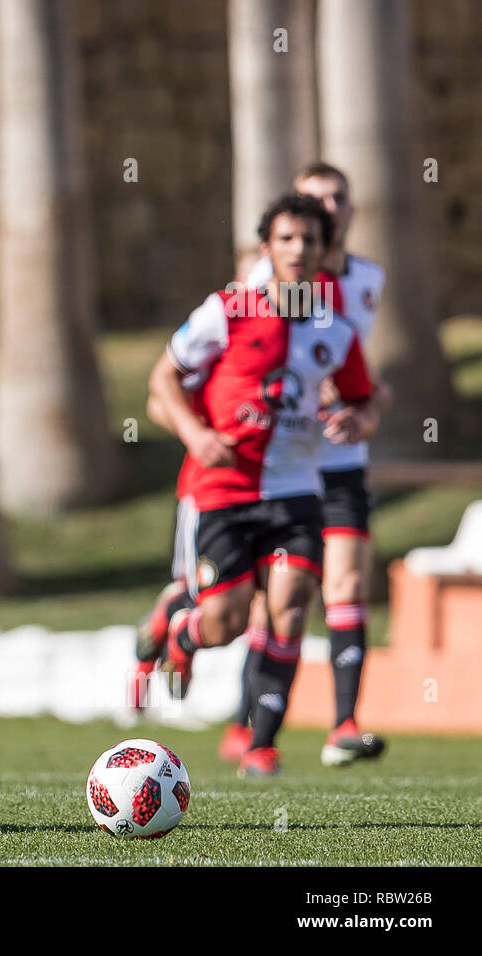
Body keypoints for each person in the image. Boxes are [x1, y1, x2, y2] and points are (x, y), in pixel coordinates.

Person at [143, 192, 379, 777]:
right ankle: (186, 633)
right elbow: (163, 377)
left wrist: (358, 419)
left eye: (310, 240)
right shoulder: (228, 311)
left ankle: (262, 744)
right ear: (266, 247)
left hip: (297, 492)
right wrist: (197, 436)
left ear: (326, 251)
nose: (299, 250)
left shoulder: (336, 329)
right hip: (223, 492)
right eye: (287, 238)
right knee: (225, 622)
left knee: (291, 610)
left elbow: (366, 400)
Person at [219, 162, 390, 768]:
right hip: (281, 465)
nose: (329, 209)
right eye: (316, 201)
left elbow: (367, 384)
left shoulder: (368, 279)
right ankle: (251, 728)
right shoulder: (268, 279)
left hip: (339, 460)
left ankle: (344, 724)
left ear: (349, 212)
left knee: (345, 585)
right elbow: (250, 359)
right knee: (274, 603)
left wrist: (361, 414)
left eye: (339, 199)